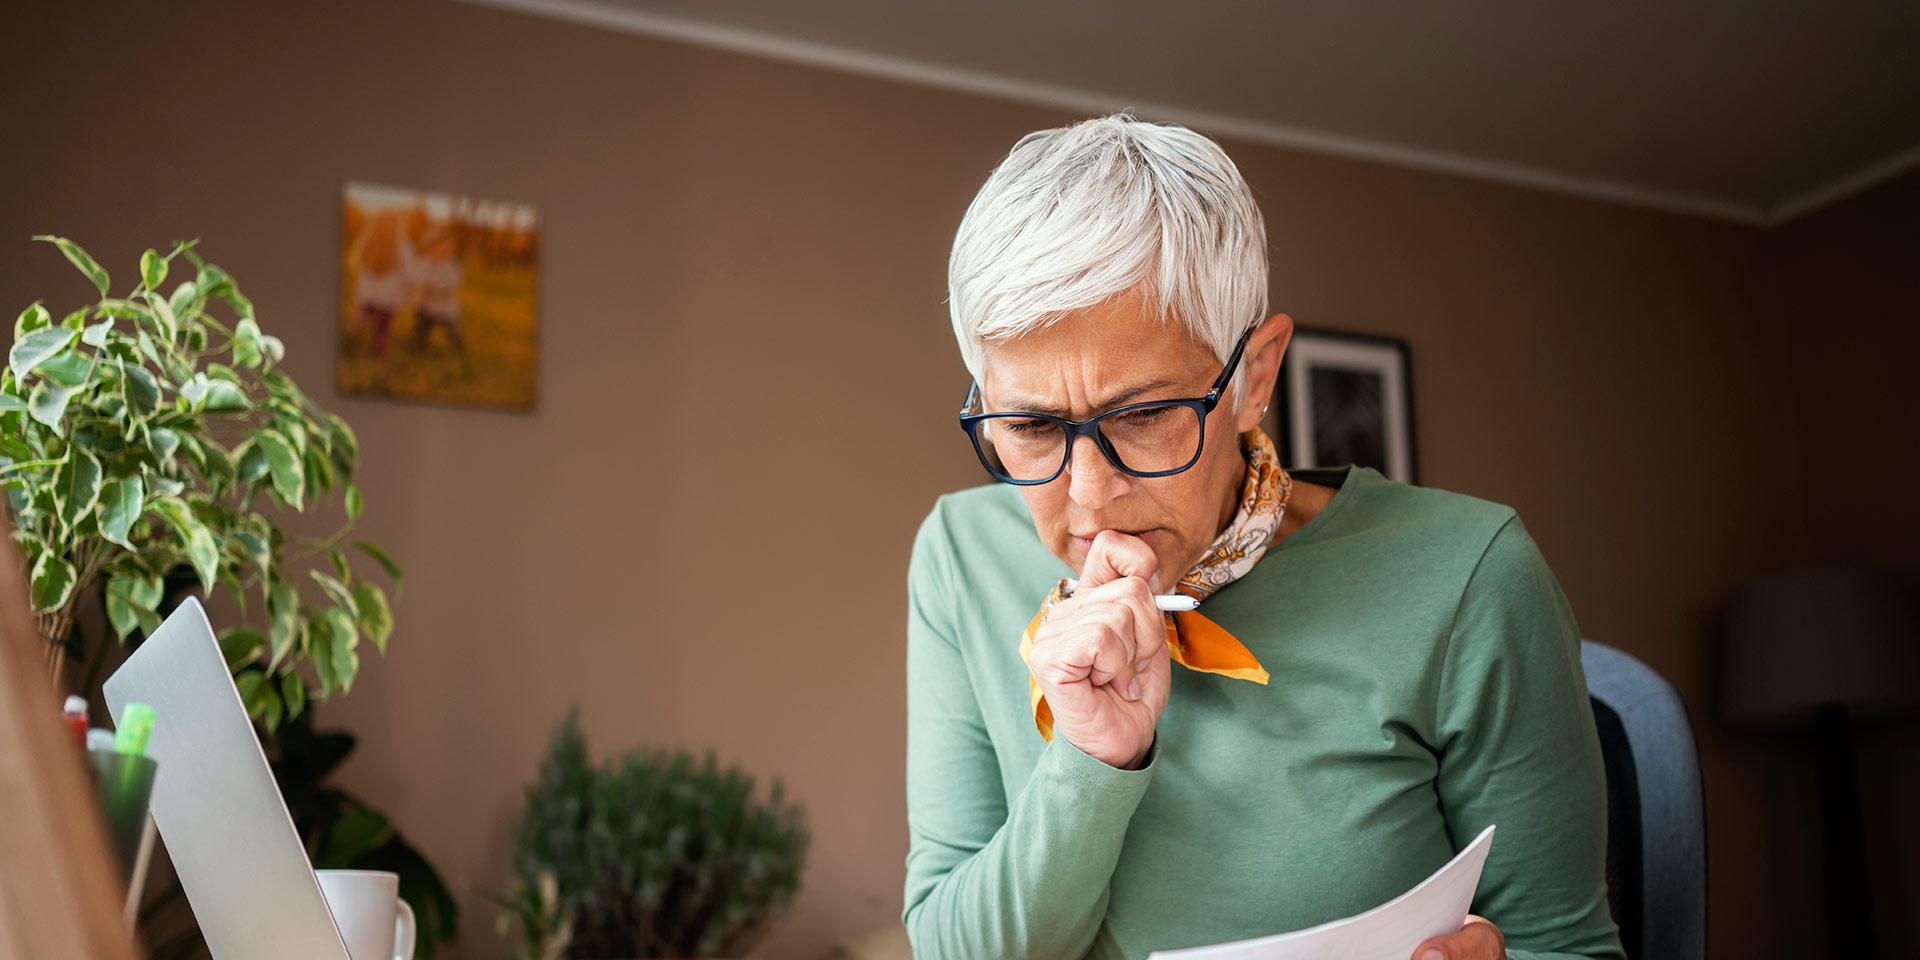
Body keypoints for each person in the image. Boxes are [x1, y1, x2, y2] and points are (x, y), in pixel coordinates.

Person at [904, 115, 1624, 960]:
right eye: (1029, 426)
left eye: (1144, 415)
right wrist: (1089, 761)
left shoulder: (1471, 575)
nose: (1091, 496)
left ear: (1255, 375)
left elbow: (1565, 947)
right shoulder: (959, 555)